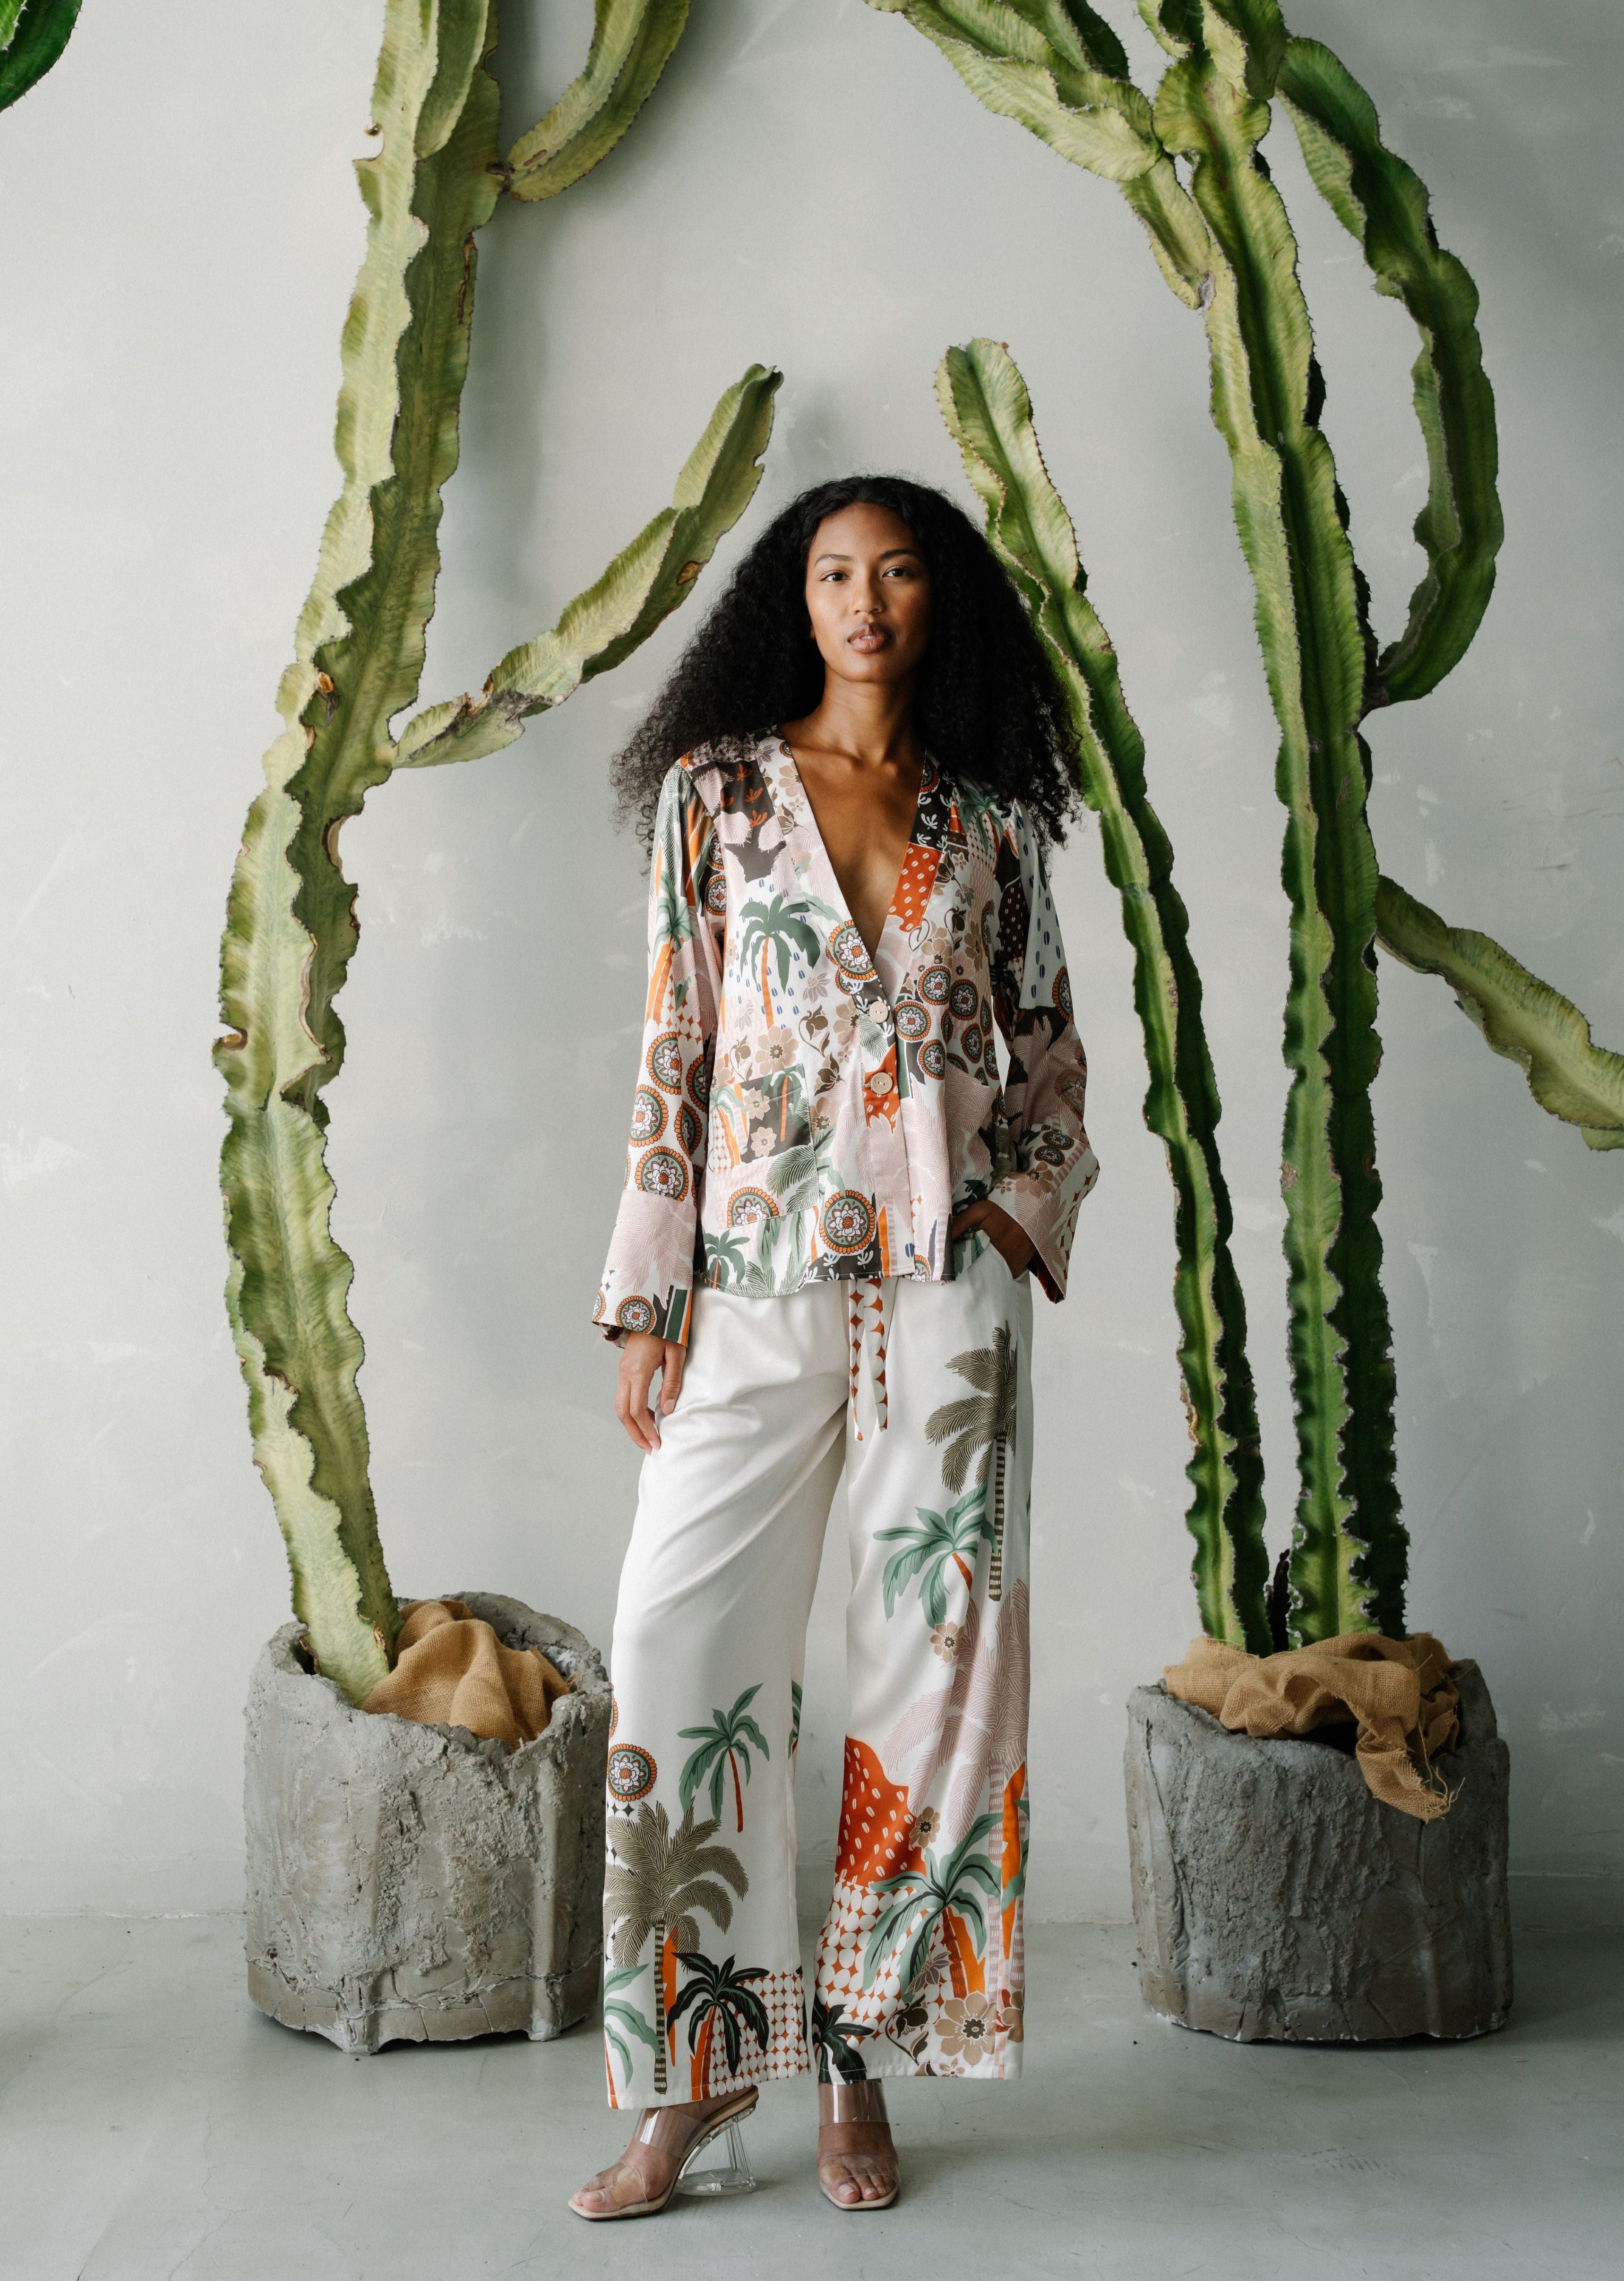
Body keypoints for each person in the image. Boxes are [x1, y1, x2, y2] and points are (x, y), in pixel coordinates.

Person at [569, 474, 1098, 2221]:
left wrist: (1013, 1220)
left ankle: (861, 2066)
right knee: (674, 1638)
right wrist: (652, 1292)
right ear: (791, 603)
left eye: (898, 574)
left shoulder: (989, 822)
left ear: (940, 602)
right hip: (754, 1278)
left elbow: (1050, 1058)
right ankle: (695, 2071)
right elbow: (676, 1048)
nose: (866, 602)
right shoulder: (718, 800)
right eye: (833, 574)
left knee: (925, 1674)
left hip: (949, 1303)